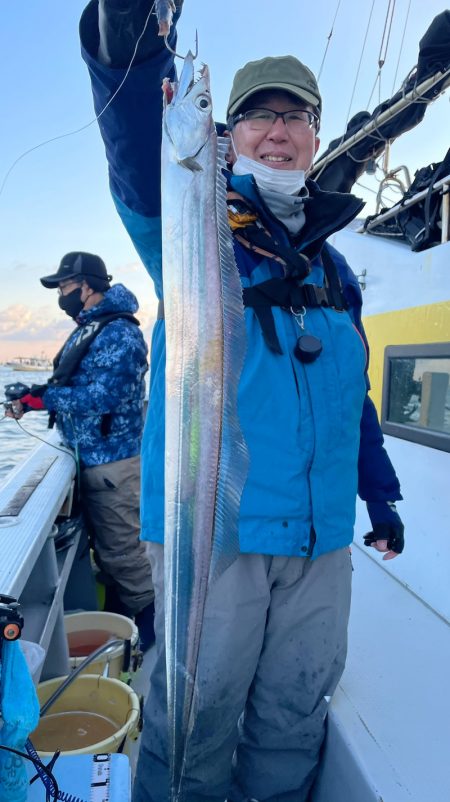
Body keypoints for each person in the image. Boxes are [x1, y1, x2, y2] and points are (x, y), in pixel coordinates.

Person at [79, 4, 405, 801]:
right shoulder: (193, 224)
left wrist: (381, 492)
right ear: (228, 136)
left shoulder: (339, 271)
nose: (278, 130)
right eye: (259, 114)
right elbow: (135, 151)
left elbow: (351, 394)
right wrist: (129, 40)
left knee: (296, 711)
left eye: (295, 115)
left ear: (316, 138)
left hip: (322, 539)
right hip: (215, 530)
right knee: (194, 708)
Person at [7, 251, 155, 651]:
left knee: (125, 553)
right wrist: (37, 395)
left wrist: (45, 399)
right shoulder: (92, 327)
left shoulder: (119, 332)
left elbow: (104, 396)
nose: (61, 294)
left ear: (87, 286)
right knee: (111, 552)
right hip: (91, 459)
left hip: (112, 464)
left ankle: (153, 635)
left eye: (65, 287)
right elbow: (76, 383)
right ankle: (132, 618)